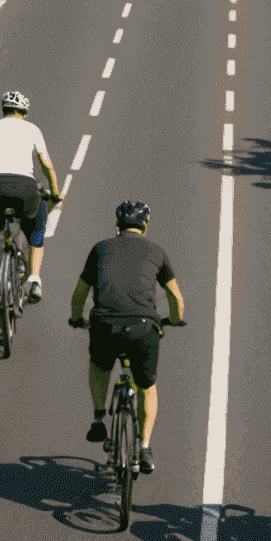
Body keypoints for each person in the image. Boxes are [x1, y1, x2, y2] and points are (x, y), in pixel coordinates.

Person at [70, 199, 185, 475]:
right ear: (145, 225)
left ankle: (99, 418)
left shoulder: (100, 249)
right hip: (143, 327)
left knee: (99, 365)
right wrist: (176, 319)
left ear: (117, 224)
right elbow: (175, 297)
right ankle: (144, 446)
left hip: (104, 324)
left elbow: (79, 295)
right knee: (147, 386)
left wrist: (77, 319)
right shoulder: (157, 251)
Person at [0, 90, 62, 305]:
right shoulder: (33, 129)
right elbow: (46, 165)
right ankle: (34, 278)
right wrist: (55, 191)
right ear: (24, 112)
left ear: (4, 110)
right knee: (36, 230)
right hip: (24, 187)